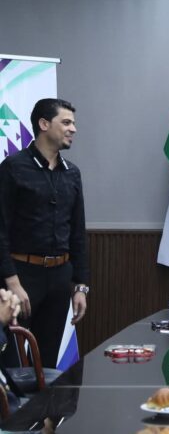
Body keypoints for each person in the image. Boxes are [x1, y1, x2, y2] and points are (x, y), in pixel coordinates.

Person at [0, 98, 89, 369]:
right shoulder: (13, 168)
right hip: (21, 276)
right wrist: (12, 282)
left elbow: (78, 233)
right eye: (66, 122)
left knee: (47, 364)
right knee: (13, 364)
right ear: (44, 124)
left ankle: (45, 401)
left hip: (60, 278)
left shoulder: (72, 173)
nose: (73, 129)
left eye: (73, 123)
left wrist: (80, 286)